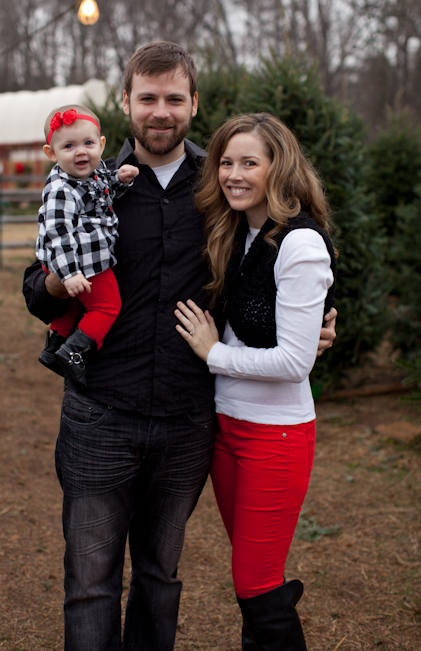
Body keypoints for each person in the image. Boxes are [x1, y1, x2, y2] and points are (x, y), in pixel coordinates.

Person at [22, 42, 337, 651]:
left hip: (188, 419)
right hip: (100, 413)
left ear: (194, 102)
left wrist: (311, 325)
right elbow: (37, 286)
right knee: (89, 582)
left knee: (160, 576)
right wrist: (61, 279)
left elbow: (275, 259)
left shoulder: (222, 186)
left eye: (173, 98)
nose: (160, 112)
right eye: (147, 98)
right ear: (126, 103)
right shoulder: (92, 181)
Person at [175, 113, 337, 651]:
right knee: (257, 578)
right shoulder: (237, 232)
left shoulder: (300, 243)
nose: (234, 174)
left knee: (255, 582)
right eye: (226, 162)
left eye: (250, 162)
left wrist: (213, 353)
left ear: (279, 168)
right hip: (226, 429)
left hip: (276, 435)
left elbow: (294, 362)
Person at [36, 104, 139, 388]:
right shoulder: (61, 190)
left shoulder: (93, 173)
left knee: (75, 304)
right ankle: (74, 354)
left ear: (101, 144)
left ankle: (53, 346)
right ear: (52, 153)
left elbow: (102, 190)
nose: (81, 152)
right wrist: (70, 274)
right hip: (79, 262)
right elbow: (58, 233)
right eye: (69, 146)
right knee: (107, 306)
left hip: (79, 261)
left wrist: (120, 178)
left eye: (88, 143)